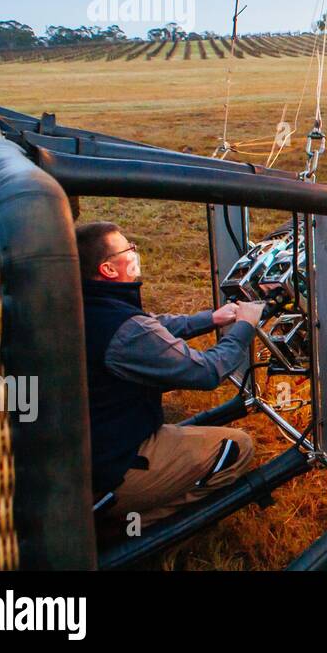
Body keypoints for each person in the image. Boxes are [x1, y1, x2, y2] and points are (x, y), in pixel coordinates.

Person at [76, 220, 264, 528]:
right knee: (238, 448)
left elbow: (151, 326)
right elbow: (206, 372)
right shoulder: (124, 329)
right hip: (112, 466)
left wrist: (211, 319)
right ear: (109, 269)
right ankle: (124, 525)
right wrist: (244, 327)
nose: (135, 254)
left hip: (89, 448)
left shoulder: (84, 303)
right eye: (129, 249)